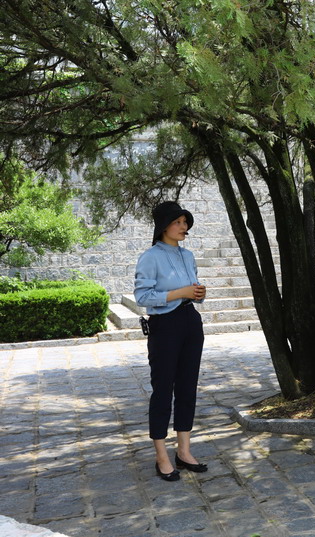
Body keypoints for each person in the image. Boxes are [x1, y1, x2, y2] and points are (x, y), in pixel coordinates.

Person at [134, 201, 208, 482]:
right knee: (163, 390)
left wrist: (198, 293)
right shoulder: (150, 257)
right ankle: (161, 456)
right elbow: (142, 297)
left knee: (188, 388)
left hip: (191, 322)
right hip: (164, 326)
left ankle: (184, 451)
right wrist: (180, 293)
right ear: (164, 226)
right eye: (177, 222)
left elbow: (192, 289)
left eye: (185, 222)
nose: (183, 226)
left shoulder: (188, 256)